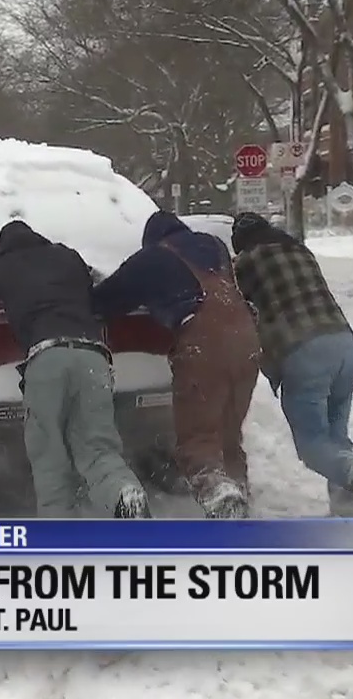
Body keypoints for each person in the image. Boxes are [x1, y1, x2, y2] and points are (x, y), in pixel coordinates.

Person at [0, 220, 153, 519]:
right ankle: (124, 492)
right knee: (97, 445)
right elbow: (94, 288)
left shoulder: (4, 266)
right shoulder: (67, 256)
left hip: (47, 358)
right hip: (92, 357)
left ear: (1, 247)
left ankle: (57, 535)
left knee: (49, 455)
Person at [92, 211, 260, 519]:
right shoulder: (214, 246)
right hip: (248, 341)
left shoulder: (151, 259)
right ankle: (239, 499)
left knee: (197, 438)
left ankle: (219, 493)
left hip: (204, 346)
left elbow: (106, 300)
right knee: (228, 433)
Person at [230, 211, 353, 517]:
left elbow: (235, 310)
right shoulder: (299, 251)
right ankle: (344, 508)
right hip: (344, 346)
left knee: (312, 446)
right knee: (336, 438)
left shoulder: (246, 263)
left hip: (303, 352)